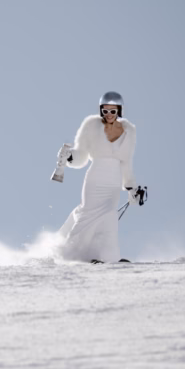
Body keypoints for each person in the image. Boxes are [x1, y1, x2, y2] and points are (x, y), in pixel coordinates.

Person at [53, 91, 146, 264]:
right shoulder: (91, 125)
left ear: (119, 110)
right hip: (95, 178)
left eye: (113, 111)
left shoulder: (128, 130)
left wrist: (132, 187)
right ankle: (69, 255)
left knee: (109, 216)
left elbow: (126, 162)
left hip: (114, 180)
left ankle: (108, 257)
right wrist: (69, 157)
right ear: (101, 110)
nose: (109, 115)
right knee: (89, 214)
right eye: (105, 111)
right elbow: (81, 155)